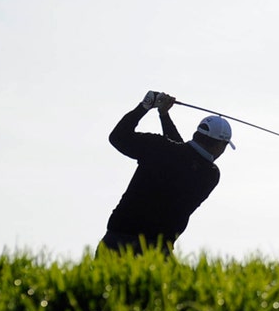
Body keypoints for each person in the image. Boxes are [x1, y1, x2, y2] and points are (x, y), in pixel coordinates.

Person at [98, 91, 234, 256]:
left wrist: (145, 106)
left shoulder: (158, 147)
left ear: (197, 134)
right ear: (221, 145)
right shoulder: (211, 175)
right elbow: (183, 154)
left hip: (116, 240)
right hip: (158, 251)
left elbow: (118, 137)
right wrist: (164, 115)